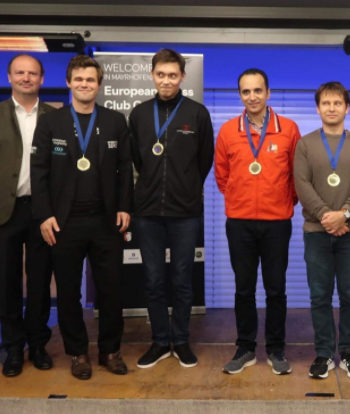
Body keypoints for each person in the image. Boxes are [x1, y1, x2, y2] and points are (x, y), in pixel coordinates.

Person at [31, 55, 133, 380]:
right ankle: (77, 353)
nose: (84, 84)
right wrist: (44, 215)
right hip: (65, 223)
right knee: (68, 292)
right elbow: (39, 172)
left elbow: (125, 169)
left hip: (106, 221)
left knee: (111, 290)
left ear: (99, 85)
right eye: (78, 79)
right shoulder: (51, 122)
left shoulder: (115, 121)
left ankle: (110, 351)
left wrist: (125, 206)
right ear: (68, 83)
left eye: (90, 80)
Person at [0, 54, 55, 377]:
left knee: (41, 282)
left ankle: (38, 344)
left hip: (42, 212)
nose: (26, 78)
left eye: (32, 73)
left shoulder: (54, 117)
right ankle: (14, 349)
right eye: (20, 72)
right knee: (6, 284)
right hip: (3, 213)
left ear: (41, 79)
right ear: (9, 77)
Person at [129, 49, 214, 369]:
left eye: (173, 75)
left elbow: (204, 160)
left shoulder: (197, 113)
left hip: (185, 213)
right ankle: (159, 342)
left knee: (181, 280)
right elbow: (136, 160)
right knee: (153, 281)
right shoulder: (139, 114)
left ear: (182, 77)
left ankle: (180, 340)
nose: (166, 80)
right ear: (152, 75)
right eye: (161, 74)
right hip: (147, 212)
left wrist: (186, 187)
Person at [215, 68, 301, 375]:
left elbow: (297, 174)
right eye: (246, 91)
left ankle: (276, 349)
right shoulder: (228, 131)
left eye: (257, 90)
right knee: (244, 289)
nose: (252, 97)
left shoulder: (288, 129)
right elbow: (222, 176)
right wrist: (238, 199)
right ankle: (246, 348)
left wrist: (283, 201)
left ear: (268, 92)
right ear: (240, 95)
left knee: (276, 289)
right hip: (239, 223)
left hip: (277, 222)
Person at [294, 81, 350, 380]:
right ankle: (324, 354)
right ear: (317, 109)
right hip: (316, 233)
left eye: (337, 103)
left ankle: (349, 352)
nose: (331, 108)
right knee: (320, 296)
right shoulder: (305, 145)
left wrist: (344, 215)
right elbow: (302, 184)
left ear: (347, 108)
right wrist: (327, 218)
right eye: (326, 103)